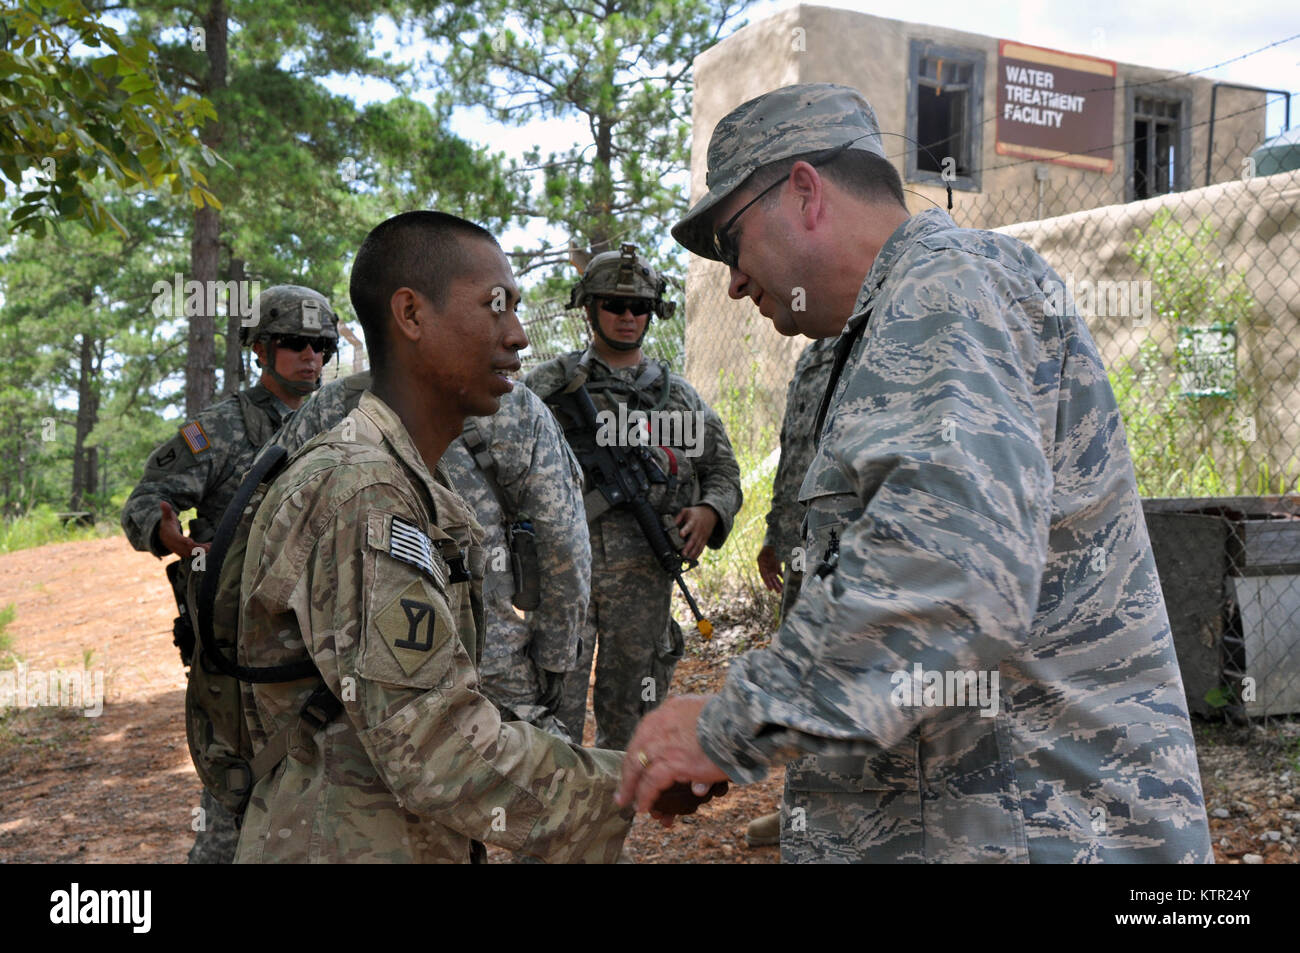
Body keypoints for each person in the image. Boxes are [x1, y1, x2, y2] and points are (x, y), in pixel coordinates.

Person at [617, 83, 1214, 863]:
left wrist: (731, 723)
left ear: (804, 192)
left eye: (731, 241)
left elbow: (946, 564)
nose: (731, 279)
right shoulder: (890, 317)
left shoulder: (942, 285)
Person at [234, 210, 630, 863]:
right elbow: (436, 747)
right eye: (494, 309)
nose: (520, 337)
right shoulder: (364, 493)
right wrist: (616, 767)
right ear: (412, 315)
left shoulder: (351, 436)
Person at [120, 283, 338, 864]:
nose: (310, 356)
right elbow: (146, 499)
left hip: (329, 642)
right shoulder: (220, 429)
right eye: (294, 342)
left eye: (322, 345)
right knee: (236, 797)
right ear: (260, 350)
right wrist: (167, 534)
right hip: (241, 653)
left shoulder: (347, 423)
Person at [270, 371, 589, 741]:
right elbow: (565, 547)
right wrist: (555, 660)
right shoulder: (511, 405)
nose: (516, 333)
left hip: (352, 682)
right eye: (493, 309)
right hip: (490, 671)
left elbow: (267, 523)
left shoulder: (329, 406)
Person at [525, 245, 743, 750]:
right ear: (588, 308)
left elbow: (723, 472)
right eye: (614, 305)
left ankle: (609, 823)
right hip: (563, 577)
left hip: (643, 583)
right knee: (550, 714)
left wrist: (711, 511)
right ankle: (553, 824)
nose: (628, 317)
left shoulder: (677, 398)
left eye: (640, 307)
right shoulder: (550, 389)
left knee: (630, 722)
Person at [746, 334, 836, 848]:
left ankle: (834, 812)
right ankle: (799, 806)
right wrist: (776, 534)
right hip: (802, 541)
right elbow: (794, 447)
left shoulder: (882, 335)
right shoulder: (816, 353)